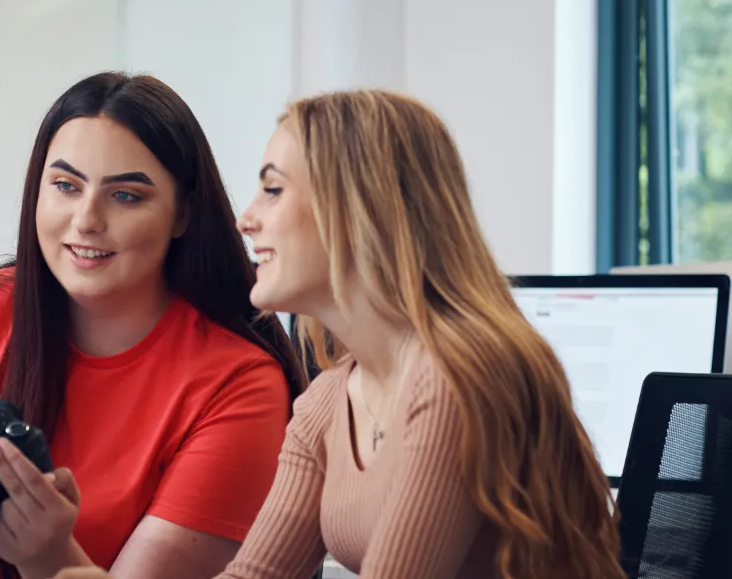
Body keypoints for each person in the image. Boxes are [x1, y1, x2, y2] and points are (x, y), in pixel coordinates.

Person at [54, 89, 627, 579]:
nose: (245, 219)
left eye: (273, 190)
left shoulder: (454, 377)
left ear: (358, 209)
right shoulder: (329, 401)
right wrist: (58, 558)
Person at [0, 72, 306, 579]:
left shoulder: (238, 385)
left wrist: (48, 556)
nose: (86, 220)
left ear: (183, 214)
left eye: (125, 195)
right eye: (65, 186)